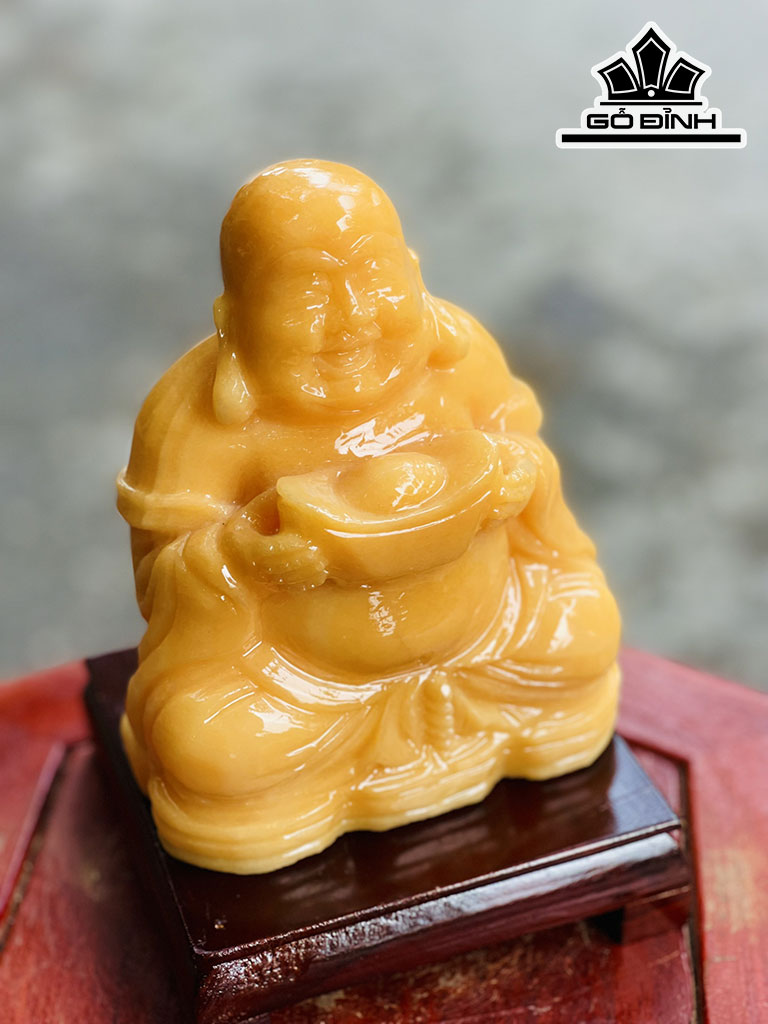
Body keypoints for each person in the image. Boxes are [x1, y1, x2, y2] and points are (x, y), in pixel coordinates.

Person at [117, 159, 621, 874]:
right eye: (307, 292)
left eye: (375, 276)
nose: (351, 317)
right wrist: (241, 559)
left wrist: (521, 475)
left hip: (489, 640)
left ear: (413, 272)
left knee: (584, 632)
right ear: (235, 319)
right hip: (299, 684)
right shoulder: (196, 422)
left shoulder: (459, 357)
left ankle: (463, 716)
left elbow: (526, 457)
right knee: (209, 748)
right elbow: (162, 573)